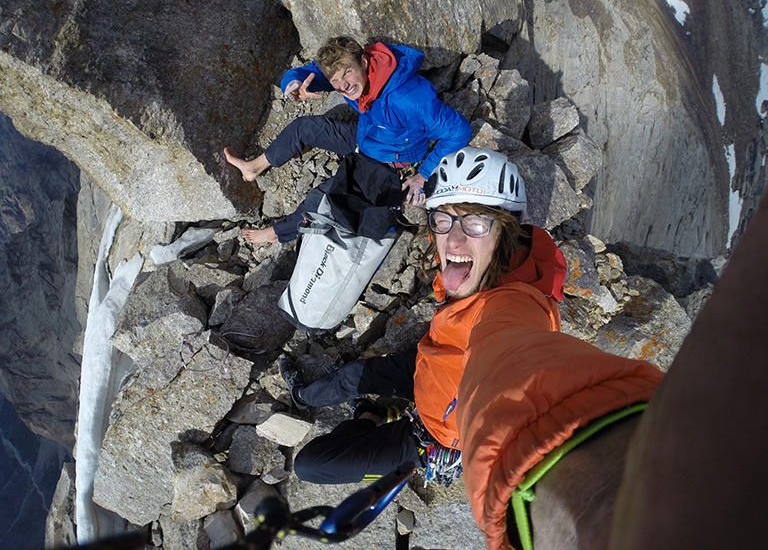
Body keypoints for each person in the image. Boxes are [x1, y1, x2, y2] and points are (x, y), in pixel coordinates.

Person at [280, 147, 665, 550]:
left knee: (311, 464)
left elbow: (517, 361)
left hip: (435, 435)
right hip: (433, 365)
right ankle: (309, 397)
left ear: (505, 231)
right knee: (344, 380)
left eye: (477, 221)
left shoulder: (513, 305)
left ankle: (373, 417)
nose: (455, 237)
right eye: (444, 219)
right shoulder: (475, 268)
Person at [223, 35, 472, 244]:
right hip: (367, 137)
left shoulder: (407, 99)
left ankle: (276, 234)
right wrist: (294, 84)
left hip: (391, 161)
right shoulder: (355, 77)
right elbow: (305, 72)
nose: (343, 86)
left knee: (323, 197)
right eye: (335, 81)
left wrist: (423, 175)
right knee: (305, 127)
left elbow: (459, 132)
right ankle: (254, 167)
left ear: (363, 62)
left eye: (347, 73)